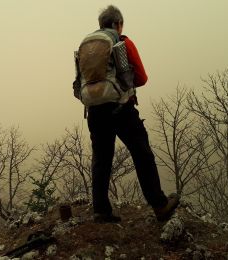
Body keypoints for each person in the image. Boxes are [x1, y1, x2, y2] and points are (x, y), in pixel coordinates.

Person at [80, 5, 180, 223]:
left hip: (95, 112)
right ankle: (159, 205)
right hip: (121, 109)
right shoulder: (122, 42)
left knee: (102, 159)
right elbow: (142, 78)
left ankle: (101, 210)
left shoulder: (86, 46)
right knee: (142, 153)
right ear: (118, 24)